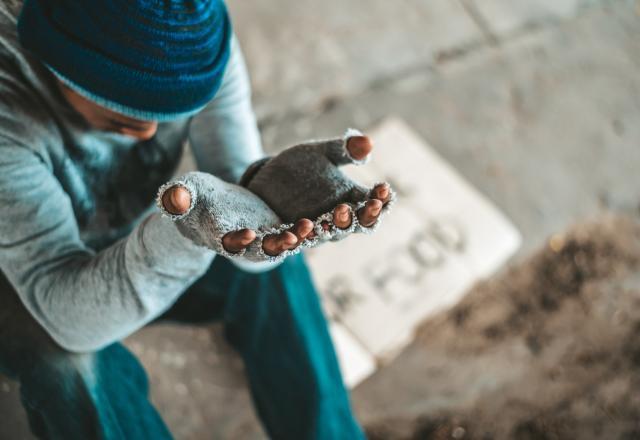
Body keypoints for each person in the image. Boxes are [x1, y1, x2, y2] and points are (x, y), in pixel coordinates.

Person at [0, 0, 389, 438]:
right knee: (70, 367)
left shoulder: (198, 42)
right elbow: (68, 315)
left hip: (127, 229)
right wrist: (187, 232)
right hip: (21, 273)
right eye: (121, 117)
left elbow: (240, 206)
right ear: (56, 61)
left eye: (167, 115)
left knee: (276, 240)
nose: (148, 132)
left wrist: (269, 197)